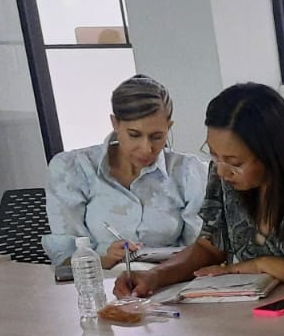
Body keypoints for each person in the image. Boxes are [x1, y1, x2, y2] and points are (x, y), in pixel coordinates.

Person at [117, 82, 284, 298]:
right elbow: (210, 248)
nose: (222, 171)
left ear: (273, 153)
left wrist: (261, 264)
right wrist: (155, 276)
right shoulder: (223, 172)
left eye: (235, 162)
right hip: (266, 305)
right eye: (214, 155)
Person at [41, 74, 205, 268]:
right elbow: (64, 256)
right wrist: (105, 260)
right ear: (115, 123)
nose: (146, 149)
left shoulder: (189, 172)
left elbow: (203, 248)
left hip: (172, 277)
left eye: (157, 137)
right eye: (134, 135)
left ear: (169, 127)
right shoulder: (73, 168)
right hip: (102, 278)